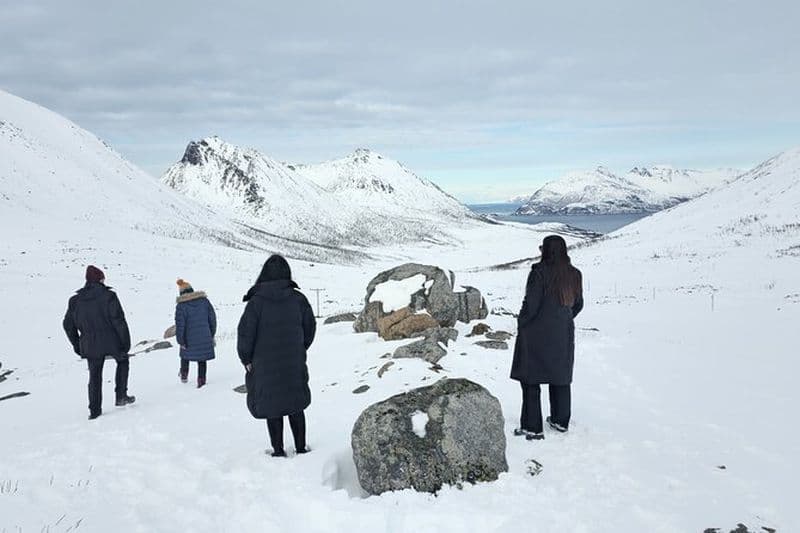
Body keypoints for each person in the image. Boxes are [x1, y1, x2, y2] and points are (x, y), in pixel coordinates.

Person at [237, 255, 316, 457]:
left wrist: (246, 359)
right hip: (293, 360)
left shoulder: (256, 303)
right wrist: (300, 348)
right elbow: (310, 328)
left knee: (272, 405)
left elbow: (245, 334)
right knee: (295, 403)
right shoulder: (298, 299)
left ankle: (278, 450)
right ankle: (300, 447)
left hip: (264, 364)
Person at [511, 235, 584, 440]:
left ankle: (532, 427)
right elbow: (578, 304)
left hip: (536, 334)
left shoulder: (539, 273)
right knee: (560, 377)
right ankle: (561, 421)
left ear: (546, 251)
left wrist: (522, 322)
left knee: (530, 379)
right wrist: (562, 320)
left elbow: (531, 305)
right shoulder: (575, 274)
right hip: (563, 334)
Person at [63, 265, 135, 420]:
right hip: (112, 341)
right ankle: (121, 395)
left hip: (90, 344)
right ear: (100, 279)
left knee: (94, 376)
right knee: (123, 361)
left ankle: (94, 410)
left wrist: (78, 345)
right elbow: (119, 321)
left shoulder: (75, 300)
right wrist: (125, 344)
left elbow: (68, 325)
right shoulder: (109, 296)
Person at [175, 279, 217, 388]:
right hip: (204, 336)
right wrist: (211, 334)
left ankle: (184, 375)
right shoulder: (204, 301)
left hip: (189, 338)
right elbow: (212, 319)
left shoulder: (181, 306)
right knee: (202, 358)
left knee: (184, 354)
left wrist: (181, 341)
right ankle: (201, 381)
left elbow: (180, 326)